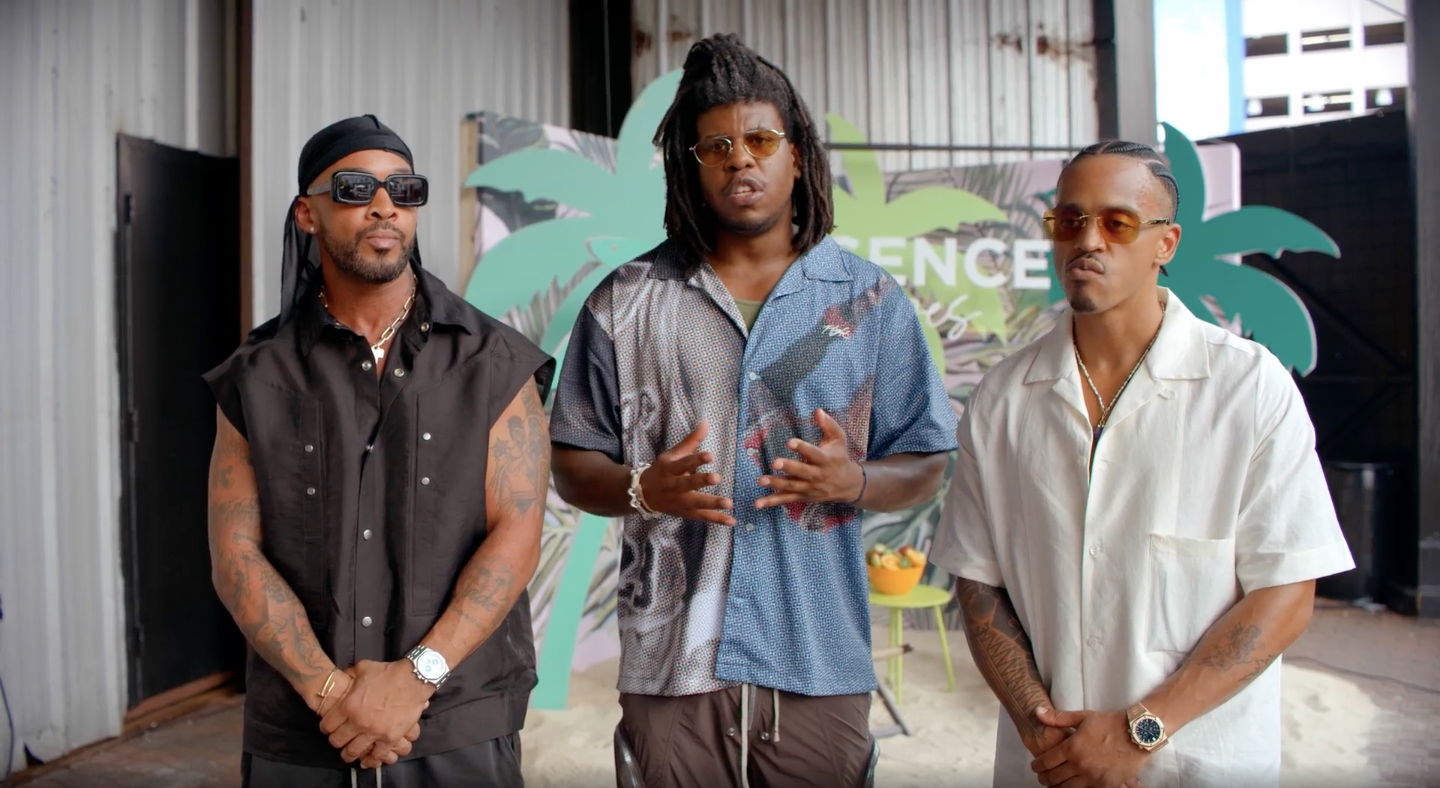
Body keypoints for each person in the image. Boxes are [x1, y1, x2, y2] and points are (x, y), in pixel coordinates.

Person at [548, 33, 959, 788]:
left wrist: (855, 481)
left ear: (796, 155)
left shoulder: (869, 302)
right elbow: (572, 463)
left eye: (761, 141)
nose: (741, 160)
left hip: (816, 654)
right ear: (692, 166)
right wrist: (643, 488)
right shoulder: (624, 302)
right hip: (672, 661)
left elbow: (928, 460)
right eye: (718, 147)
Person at [931, 140, 1355, 788]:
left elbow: (1286, 590)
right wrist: (1042, 729)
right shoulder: (1004, 397)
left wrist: (1140, 730)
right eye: (1069, 220)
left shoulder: (1246, 387)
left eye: (1118, 222)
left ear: (1166, 243)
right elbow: (979, 581)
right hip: (1048, 765)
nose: (1088, 240)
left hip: (1197, 765)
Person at [204, 115, 553, 788]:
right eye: (356, 188)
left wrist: (416, 678)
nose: (385, 205)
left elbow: (518, 532)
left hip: (458, 719)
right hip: (303, 729)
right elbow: (235, 553)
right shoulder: (257, 374)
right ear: (307, 213)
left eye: (404, 188)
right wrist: (330, 691)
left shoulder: (492, 361)